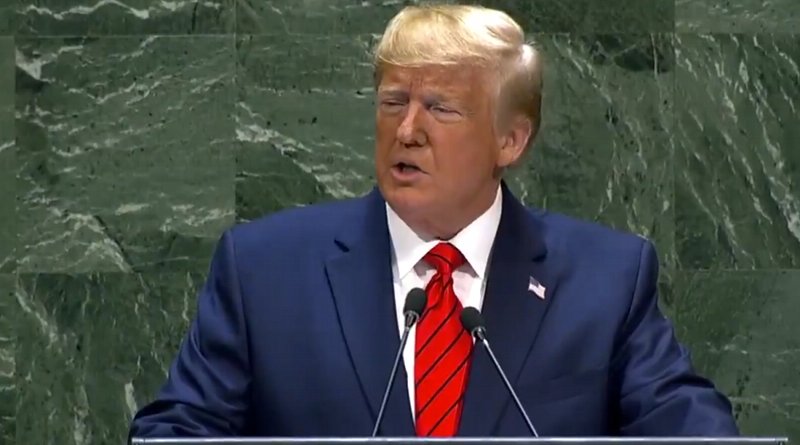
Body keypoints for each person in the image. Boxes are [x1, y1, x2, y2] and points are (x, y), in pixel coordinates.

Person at [129, 4, 739, 438]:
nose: (408, 129)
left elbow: (685, 423)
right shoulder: (265, 269)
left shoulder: (605, 279)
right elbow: (178, 430)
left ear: (510, 139)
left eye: (440, 108)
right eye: (394, 101)